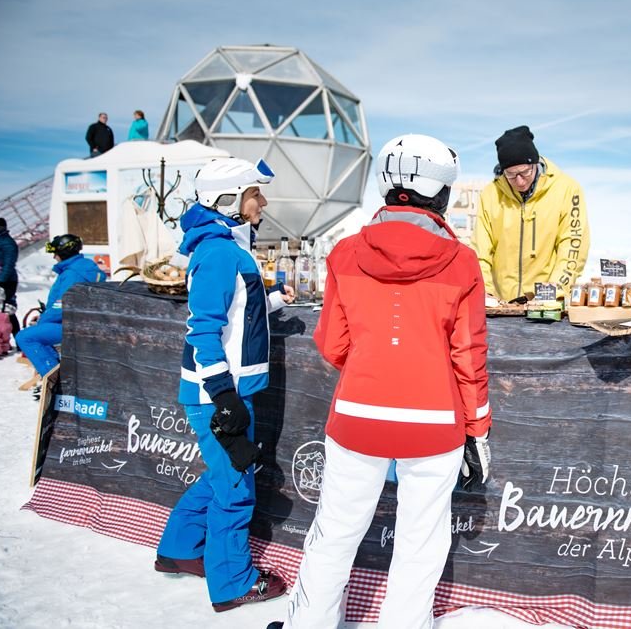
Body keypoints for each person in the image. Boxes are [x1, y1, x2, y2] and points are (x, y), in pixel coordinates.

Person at [272, 135, 491, 629]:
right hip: (434, 425)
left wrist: (375, 360)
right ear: (439, 194)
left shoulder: (346, 253)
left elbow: (332, 345)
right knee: (420, 541)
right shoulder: (460, 262)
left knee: (335, 533)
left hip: (357, 417)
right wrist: (477, 430)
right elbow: (469, 357)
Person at [154, 157, 294, 613]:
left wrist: (271, 301)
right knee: (236, 487)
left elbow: (236, 312)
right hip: (221, 393)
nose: (263, 201)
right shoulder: (218, 252)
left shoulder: (226, 246)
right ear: (230, 200)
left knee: (222, 476)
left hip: (226, 388)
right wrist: (224, 396)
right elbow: (203, 328)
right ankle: (233, 582)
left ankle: (179, 549)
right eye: (256, 193)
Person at [472, 125, 590, 302]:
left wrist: (553, 291)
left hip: (547, 302)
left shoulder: (567, 189)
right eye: (511, 175)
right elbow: (480, 249)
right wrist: (485, 292)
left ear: (535, 163)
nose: (519, 181)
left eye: (524, 172)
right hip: (501, 303)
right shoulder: (491, 194)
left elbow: (573, 243)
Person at [14, 234, 106, 387]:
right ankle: (57, 374)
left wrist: (42, 320)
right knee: (39, 334)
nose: (54, 257)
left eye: (55, 253)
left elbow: (62, 306)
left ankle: (55, 382)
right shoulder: (86, 268)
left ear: (62, 253)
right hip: (85, 321)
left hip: (74, 324)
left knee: (26, 337)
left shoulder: (72, 274)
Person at [0, 217, 20, 336]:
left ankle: (18, 338)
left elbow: (9, 264)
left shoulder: (7, 243)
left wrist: (1, 281)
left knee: (6, 308)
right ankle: (0, 340)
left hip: (6, 281)